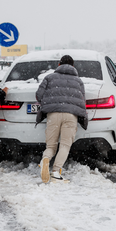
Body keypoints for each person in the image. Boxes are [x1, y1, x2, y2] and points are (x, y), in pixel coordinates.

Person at [36, 55, 88, 183]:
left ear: (59, 65)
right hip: (71, 115)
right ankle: (55, 172)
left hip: (53, 114)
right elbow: (82, 99)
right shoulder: (78, 81)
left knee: (51, 145)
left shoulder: (49, 78)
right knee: (65, 145)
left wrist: (49, 102)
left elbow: (38, 95)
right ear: (73, 66)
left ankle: (45, 159)